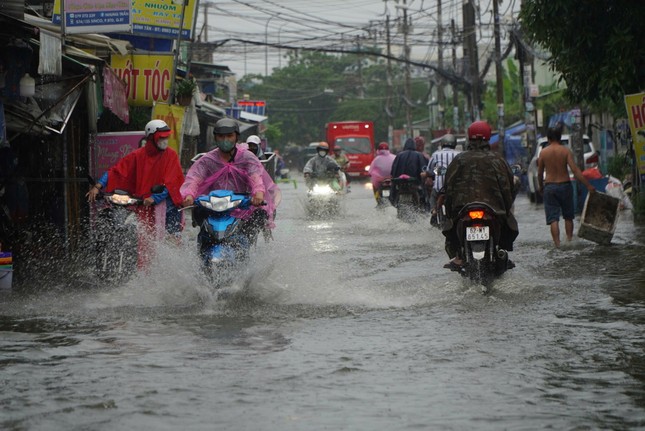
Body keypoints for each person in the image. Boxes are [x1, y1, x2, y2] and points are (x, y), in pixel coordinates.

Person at [86, 119, 185, 267]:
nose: (165, 140)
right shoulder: (137, 155)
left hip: (167, 206)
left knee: (171, 240)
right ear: (151, 137)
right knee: (141, 238)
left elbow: (172, 183)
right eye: (161, 137)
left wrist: (154, 198)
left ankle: (172, 268)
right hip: (143, 204)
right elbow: (116, 171)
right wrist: (98, 185)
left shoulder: (171, 155)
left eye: (166, 137)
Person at [181, 118, 281, 245]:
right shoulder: (208, 159)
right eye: (221, 136)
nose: (225, 140)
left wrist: (259, 194)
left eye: (229, 136)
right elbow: (195, 179)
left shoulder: (247, 157)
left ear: (236, 137)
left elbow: (256, 177)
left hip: (242, 205)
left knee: (254, 223)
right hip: (215, 206)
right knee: (203, 231)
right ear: (215, 138)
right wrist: (189, 195)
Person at [440, 120, 518, 270]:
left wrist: (450, 211)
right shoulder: (498, 160)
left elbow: (448, 188)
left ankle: (458, 256)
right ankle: (502, 251)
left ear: (469, 138)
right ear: (488, 138)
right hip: (494, 210)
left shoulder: (459, 160)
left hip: (462, 210)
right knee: (508, 224)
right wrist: (506, 208)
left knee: (451, 226)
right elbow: (508, 187)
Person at [537, 126, 595, 247]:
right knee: (568, 217)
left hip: (550, 187)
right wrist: (588, 185)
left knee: (553, 218)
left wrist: (540, 187)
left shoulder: (543, 153)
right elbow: (575, 170)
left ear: (548, 138)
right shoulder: (565, 151)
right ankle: (569, 241)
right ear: (559, 138)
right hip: (565, 186)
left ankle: (557, 244)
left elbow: (539, 172)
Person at [425, 134, 460, 225]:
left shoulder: (436, 154)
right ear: (454, 144)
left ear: (442, 144)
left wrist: (437, 172)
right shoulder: (459, 154)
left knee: (432, 196)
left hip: (439, 187)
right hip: (455, 188)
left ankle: (433, 211)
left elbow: (429, 170)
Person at [389, 138, 427, 206]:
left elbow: (393, 171)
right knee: (424, 194)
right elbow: (424, 169)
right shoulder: (419, 155)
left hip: (400, 182)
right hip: (415, 181)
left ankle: (392, 200)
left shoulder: (399, 155)